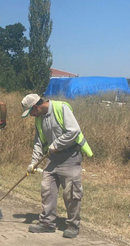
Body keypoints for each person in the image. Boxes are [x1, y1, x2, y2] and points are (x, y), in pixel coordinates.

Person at [21, 93, 93, 238]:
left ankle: (73, 225)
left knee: (71, 193)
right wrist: (33, 163)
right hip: (53, 158)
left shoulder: (61, 108)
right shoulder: (39, 119)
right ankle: (47, 223)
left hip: (70, 156)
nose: (31, 115)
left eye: (31, 112)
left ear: (36, 106)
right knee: (47, 188)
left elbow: (74, 131)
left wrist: (57, 144)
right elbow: (38, 142)